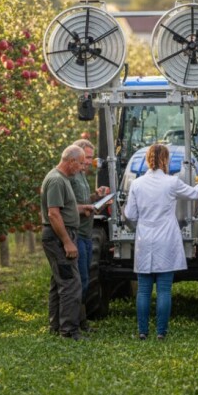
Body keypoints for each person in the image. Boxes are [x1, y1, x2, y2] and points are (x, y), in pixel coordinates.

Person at [123, 144, 198, 340]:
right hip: (166, 238)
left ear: (148, 159)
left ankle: (142, 331)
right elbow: (193, 194)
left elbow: (130, 214)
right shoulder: (171, 183)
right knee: (164, 289)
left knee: (144, 290)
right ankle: (161, 333)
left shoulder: (137, 184)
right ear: (166, 160)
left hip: (145, 238)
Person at [40, 145, 91, 341]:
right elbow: (53, 214)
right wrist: (67, 242)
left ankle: (56, 325)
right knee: (71, 283)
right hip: (58, 237)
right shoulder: (56, 180)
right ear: (70, 161)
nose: (81, 168)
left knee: (59, 281)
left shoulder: (62, 179)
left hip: (61, 235)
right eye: (79, 163)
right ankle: (69, 331)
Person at [70, 139, 110, 332]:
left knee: (83, 279)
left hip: (85, 234)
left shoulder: (82, 176)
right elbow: (63, 208)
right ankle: (74, 323)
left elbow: (83, 201)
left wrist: (96, 197)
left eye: (91, 158)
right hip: (77, 234)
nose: (89, 162)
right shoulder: (69, 177)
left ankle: (80, 320)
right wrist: (85, 208)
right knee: (79, 280)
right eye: (86, 158)